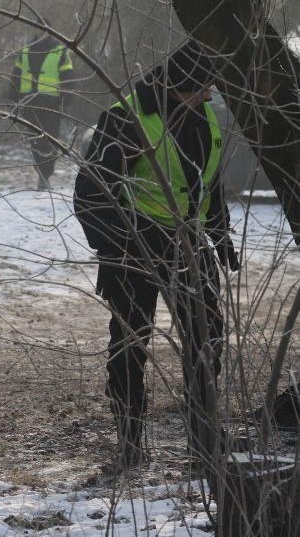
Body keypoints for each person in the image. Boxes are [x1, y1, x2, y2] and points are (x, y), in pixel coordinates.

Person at [73, 40, 239, 468]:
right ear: (181, 85)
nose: (210, 94)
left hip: (189, 242)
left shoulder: (203, 116)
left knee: (209, 337)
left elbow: (207, 181)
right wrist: (117, 249)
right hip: (135, 246)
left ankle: (203, 438)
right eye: (203, 87)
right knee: (130, 344)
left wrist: (219, 234)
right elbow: (90, 195)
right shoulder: (126, 119)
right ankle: (129, 440)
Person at [12, 28, 74, 191]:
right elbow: (16, 76)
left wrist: (66, 101)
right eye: (38, 29)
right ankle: (41, 175)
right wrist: (12, 99)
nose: (41, 33)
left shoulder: (60, 51)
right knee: (35, 140)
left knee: (50, 139)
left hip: (52, 103)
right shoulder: (26, 51)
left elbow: (68, 76)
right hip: (30, 102)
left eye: (44, 30)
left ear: (50, 32)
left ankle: (45, 174)